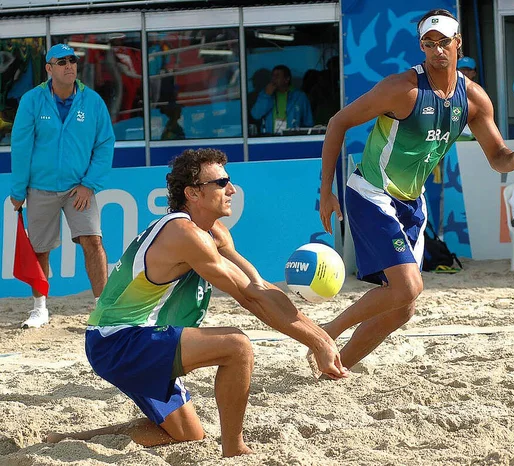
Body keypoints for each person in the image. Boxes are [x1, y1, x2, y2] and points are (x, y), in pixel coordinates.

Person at [46, 148, 348, 457]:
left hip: (129, 336)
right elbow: (249, 298)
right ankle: (234, 448)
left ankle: (71, 440)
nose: (231, 190)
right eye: (220, 183)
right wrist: (316, 341)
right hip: (118, 341)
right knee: (237, 346)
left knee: (189, 435)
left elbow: (259, 287)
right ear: (193, 193)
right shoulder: (183, 233)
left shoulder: (211, 231)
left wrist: (321, 337)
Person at [318, 9, 514, 371]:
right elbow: (337, 122)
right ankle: (326, 333)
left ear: (458, 43)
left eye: (444, 42)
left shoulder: (473, 100)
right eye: (429, 43)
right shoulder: (401, 89)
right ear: (421, 46)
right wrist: (326, 190)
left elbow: (497, 157)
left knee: (403, 309)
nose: (437, 49)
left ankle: (334, 367)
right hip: (371, 192)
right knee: (407, 288)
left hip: (410, 202)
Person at [10, 44, 115, 328]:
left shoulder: (92, 102)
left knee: (93, 241)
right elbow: (21, 147)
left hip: (79, 188)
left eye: (73, 61)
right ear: (49, 68)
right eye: (62, 62)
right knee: (40, 249)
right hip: (40, 187)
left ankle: (101, 308)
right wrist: (18, 190)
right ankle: (40, 308)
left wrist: (89, 184)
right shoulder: (32, 101)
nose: (69, 65)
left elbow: (104, 145)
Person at [250, 64, 313, 134]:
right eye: (272, 76)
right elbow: (256, 115)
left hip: (293, 138)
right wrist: (266, 95)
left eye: (277, 76)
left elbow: (308, 123)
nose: (274, 79)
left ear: (287, 79)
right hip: (269, 139)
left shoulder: (299, 96)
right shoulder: (265, 94)